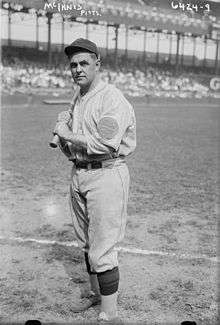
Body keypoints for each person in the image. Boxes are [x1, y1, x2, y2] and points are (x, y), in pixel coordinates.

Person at [53, 38, 136, 322]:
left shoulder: (111, 98)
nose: (77, 69)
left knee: (103, 247)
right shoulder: (78, 97)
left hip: (107, 173)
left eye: (83, 63)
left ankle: (109, 313)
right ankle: (95, 293)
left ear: (97, 64)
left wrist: (66, 134)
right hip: (79, 172)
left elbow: (106, 145)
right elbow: (72, 147)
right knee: (86, 242)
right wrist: (64, 135)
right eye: (73, 65)